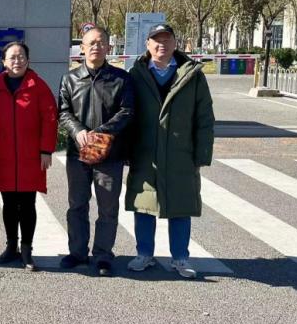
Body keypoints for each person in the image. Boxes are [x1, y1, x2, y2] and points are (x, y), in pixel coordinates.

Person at [124, 23, 215, 279]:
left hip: (180, 153)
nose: (161, 44)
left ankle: (180, 257)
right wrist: (126, 150)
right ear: (148, 44)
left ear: (175, 43)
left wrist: (202, 154)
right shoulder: (136, 74)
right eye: (156, 40)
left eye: (167, 39)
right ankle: (144, 254)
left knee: (181, 206)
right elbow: (127, 115)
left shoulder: (192, 75)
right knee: (144, 205)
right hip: (145, 153)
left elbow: (205, 118)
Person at [57, 26, 134, 277]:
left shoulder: (121, 79)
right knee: (77, 205)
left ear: (108, 47)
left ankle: (103, 255)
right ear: (82, 47)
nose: (96, 47)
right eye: (91, 43)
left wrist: (100, 133)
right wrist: (78, 130)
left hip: (109, 153)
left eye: (101, 43)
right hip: (78, 153)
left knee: (107, 208)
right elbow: (63, 111)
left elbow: (127, 111)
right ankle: (77, 252)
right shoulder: (70, 79)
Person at [0, 41, 58, 272]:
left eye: (21, 56)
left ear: (28, 60)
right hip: (3, 155)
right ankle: (11, 245)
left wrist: (46, 150)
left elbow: (50, 119)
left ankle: (26, 249)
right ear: (3, 61)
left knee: (27, 203)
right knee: (8, 203)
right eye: (12, 57)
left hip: (30, 156)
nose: (17, 61)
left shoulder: (38, 86)